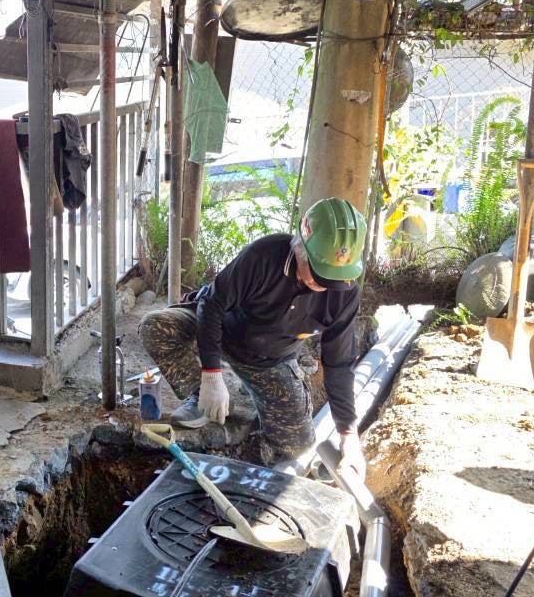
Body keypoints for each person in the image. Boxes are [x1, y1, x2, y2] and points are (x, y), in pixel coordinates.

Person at [139, 197, 368, 476]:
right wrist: (211, 375)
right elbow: (212, 304)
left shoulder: (344, 294)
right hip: (222, 330)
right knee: (156, 327)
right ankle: (201, 395)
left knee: (297, 445)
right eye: (319, 274)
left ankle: (253, 441)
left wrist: (348, 435)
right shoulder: (263, 256)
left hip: (269, 360)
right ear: (300, 248)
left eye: (334, 278)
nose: (323, 286)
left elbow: (339, 363)